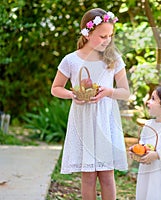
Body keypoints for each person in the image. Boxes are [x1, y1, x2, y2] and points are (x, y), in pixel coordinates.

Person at [51, 8, 130, 200]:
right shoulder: (71, 60)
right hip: (83, 121)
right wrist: (72, 94)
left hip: (106, 121)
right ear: (87, 33)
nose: (107, 40)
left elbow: (125, 92)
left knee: (107, 174)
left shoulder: (114, 59)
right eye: (102, 36)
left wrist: (109, 92)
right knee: (88, 176)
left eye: (110, 35)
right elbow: (56, 88)